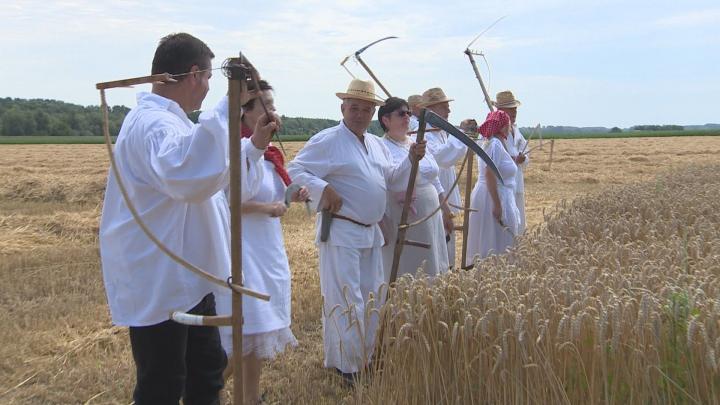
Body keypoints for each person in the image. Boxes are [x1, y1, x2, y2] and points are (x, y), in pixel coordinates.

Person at [99, 33, 279, 405]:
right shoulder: (152, 124)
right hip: (162, 279)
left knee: (206, 373)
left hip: (189, 278)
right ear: (195, 73)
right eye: (209, 79)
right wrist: (229, 103)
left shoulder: (174, 123)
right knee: (163, 383)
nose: (208, 88)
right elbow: (187, 175)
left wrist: (255, 144)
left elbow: (215, 182)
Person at [287, 79, 425, 382]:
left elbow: (391, 177)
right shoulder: (328, 140)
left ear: (373, 112)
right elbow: (295, 171)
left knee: (372, 296)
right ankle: (347, 366)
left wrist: (411, 160)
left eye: (366, 109)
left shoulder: (375, 143)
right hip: (341, 230)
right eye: (354, 108)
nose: (360, 114)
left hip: (370, 233)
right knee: (346, 299)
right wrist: (324, 189)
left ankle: (366, 357)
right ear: (343, 108)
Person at [216, 80, 308, 404]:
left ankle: (248, 398)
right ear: (246, 113)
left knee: (255, 336)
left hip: (267, 249)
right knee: (247, 331)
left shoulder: (268, 154)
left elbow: (272, 191)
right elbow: (227, 200)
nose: (273, 111)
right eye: (264, 105)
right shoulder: (234, 151)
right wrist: (267, 207)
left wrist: (292, 195)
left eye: (273, 103)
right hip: (243, 251)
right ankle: (204, 389)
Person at [378, 96, 450, 282]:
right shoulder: (382, 147)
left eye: (409, 113)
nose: (407, 117)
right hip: (408, 216)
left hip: (431, 214)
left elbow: (433, 177)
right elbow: (392, 180)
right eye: (401, 114)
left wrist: (445, 208)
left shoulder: (414, 142)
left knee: (434, 261)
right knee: (413, 266)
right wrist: (410, 159)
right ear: (386, 120)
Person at [465, 110, 520, 266]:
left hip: (491, 193)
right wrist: (497, 204)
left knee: (492, 236)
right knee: (495, 238)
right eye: (508, 125)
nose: (510, 128)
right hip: (493, 195)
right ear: (503, 126)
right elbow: (490, 173)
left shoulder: (492, 143)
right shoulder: (494, 144)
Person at [419, 87, 467, 268]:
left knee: (448, 244)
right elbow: (443, 158)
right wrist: (461, 134)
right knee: (440, 245)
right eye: (445, 107)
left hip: (446, 193)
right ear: (432, 109)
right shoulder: (423, 133)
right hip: (435, 198)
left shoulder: (439, 131)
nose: (449, 111)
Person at [494, 90, 528, 233]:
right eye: (510, 109)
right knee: (507, 221)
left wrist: (523, 158)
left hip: (517, 179)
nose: (514, 112)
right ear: (501, 111)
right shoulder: (494, 133)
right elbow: (491, 162)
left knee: (518, 219)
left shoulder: (516, 130)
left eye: (515, 109)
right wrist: (513, 159)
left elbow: (525, 149)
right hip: (503, 183)